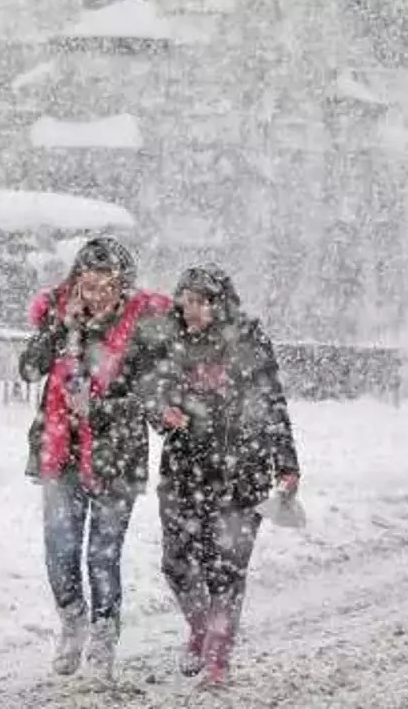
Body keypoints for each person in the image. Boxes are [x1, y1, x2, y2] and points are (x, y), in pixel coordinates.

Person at [18, 236, 172, 679]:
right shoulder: (61, 319)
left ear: (122, 284)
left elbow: (150, 398)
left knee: (102, 554)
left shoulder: (141, 328)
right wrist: (56, 330)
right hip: (59, 450)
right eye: (87, 283)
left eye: (104, 284)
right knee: (59, 549)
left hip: (116, 454)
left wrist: (98, 409)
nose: (94, 293)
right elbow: (28, 369)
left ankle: (105, 631)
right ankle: (72, 621)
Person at [151, 263, 301, 687]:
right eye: (188, 300)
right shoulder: (170, 343)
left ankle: (218, 654)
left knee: (226, 569)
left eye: (203, 301)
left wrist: (286, 464)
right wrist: (162, 413)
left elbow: (273, 403)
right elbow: (152, 395)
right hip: (184, 470)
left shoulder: (249, 342)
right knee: (178, 563)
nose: (193, 310)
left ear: (222, 304)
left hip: (243, 471)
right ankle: (200, 628)